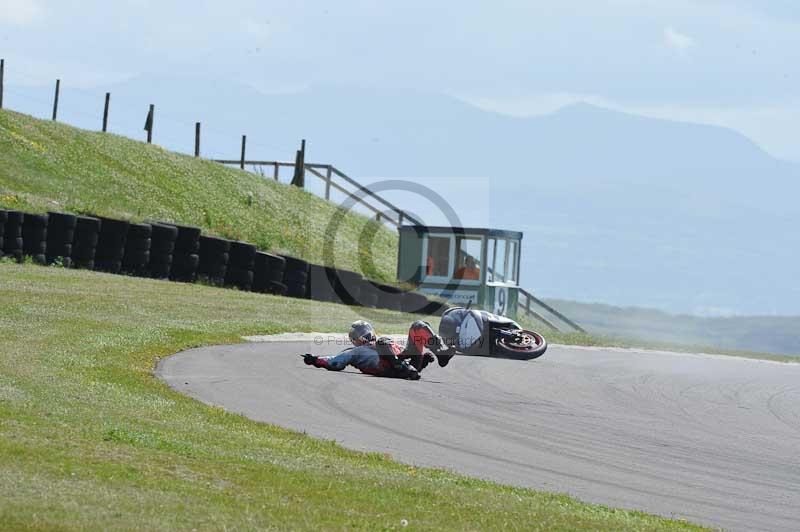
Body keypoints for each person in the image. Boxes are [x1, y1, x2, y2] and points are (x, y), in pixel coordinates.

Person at [302, 320, 454, 380]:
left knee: (418, 325)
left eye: (366, 331)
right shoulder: (356, 351)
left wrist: (421, 360)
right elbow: (335, 362)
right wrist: (315, 360)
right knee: (383, 342)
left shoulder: (387, 342)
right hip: (385, 368)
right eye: (360, 334)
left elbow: (403, 352)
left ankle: (441, 353)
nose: (365, 335)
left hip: (404, 362)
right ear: (355, 339)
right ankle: (405, 369)